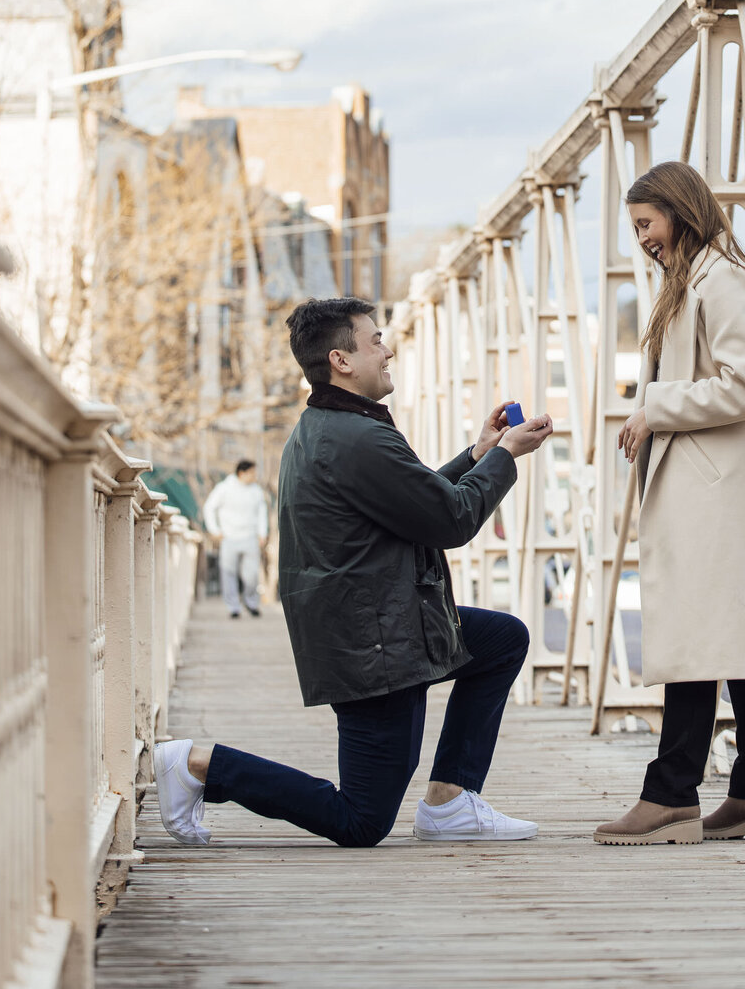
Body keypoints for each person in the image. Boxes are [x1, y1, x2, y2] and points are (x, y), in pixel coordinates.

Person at [153, 295, 553, 848]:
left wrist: (479, 452)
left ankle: (450, 800)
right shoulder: (357, 436)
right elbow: (450, 519)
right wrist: (506, 456)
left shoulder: (332, 428)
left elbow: (410, 500)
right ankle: (198, 763)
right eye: (375, 341)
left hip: (376, 624)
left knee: (502, 640)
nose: (386, 351)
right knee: (361, 819)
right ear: (341, 360)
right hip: (376, 643)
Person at [593, 161, 745, 846]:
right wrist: (653, 409)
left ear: (679, 212)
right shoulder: (696, 281)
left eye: (646, 224)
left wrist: (655, 406)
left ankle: (673, 795)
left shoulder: (723, 280)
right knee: (735, 644)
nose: (644, 239)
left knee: (697, 641)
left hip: (720, 496)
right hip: (715, 491)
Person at [203, 458, 268, 619]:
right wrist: (214, 530)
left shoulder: (256, 491)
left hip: (250, 537)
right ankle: (233, 607)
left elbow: (262, 513)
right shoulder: (224, 488)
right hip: (229, 537)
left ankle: (251, 602)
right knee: (228, 573)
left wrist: (262, 533)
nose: (255, 476)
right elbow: (209, 507)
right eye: (252, 472)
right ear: (242, 473)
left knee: (251, 574)